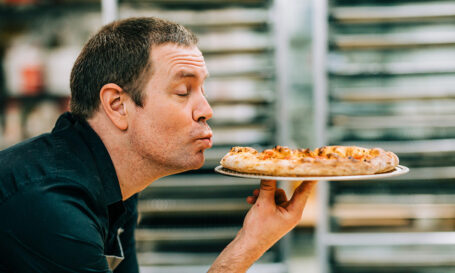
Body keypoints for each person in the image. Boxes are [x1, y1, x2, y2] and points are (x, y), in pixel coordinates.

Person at [0, 17, 316, 273]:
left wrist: (252, 239)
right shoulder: (48, 203)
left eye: (202, 90)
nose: (206, 110)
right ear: (117, 105)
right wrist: (249, 245)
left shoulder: (117, 189)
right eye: (183, 91)